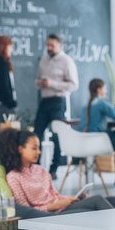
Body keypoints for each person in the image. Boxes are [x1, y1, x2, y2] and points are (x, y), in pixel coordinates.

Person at [0, 128, 115, 213]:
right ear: (20, 149)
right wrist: (55, 205)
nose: (39, 152)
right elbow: (26, 211)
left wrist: (73, 198)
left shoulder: (40, 170)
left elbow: (55, 195)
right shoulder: (14, 177)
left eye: (39, 148)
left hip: (61, 206)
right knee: (97, 200)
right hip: (53, 214)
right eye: (34, 148)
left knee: (112, 199)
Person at [34, 33, 79, 180]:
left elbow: (74, 85)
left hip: (58, 102)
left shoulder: (67, 61)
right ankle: (36, 168)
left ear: (60, 45)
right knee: (36, 134)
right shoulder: (43, 60)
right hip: (44, 101)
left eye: (52, 45)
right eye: (47, 45)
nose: (49, 48)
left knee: (56, 136)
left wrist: (52, 83)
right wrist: (40, 83)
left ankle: (54, 169)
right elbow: (37, 80)